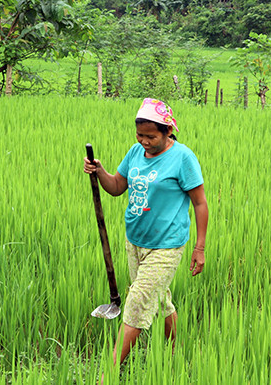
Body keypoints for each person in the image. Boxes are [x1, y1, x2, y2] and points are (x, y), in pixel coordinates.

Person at [83, 98, 208, 366]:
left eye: (151, 136)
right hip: (136, 241)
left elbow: (200, 202)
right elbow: (117, 186)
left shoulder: (183, 158)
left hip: (167, 245)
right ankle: (175, 351)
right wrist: (99, 171)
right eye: (140, 135)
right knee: (160, 300)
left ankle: (110, 371)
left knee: (138, 300)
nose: (144, 141)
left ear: (168, 131)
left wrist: (200, 247)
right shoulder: (135, 152)